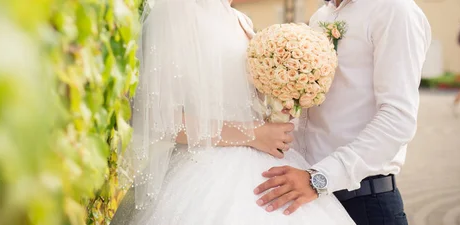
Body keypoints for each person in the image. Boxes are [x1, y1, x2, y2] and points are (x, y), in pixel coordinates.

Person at [111, 0, 355, 224]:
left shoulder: (240, 19)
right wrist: (252, 134)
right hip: (205, 173)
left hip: (265, 162)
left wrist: (283, 101)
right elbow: (157, 119)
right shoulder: (178, 12)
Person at [253, 0, 431, 225]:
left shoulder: (394, 10)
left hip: (364, 202)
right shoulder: (322, 16)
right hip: (310, 201)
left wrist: (319, 178)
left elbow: (398, 118)